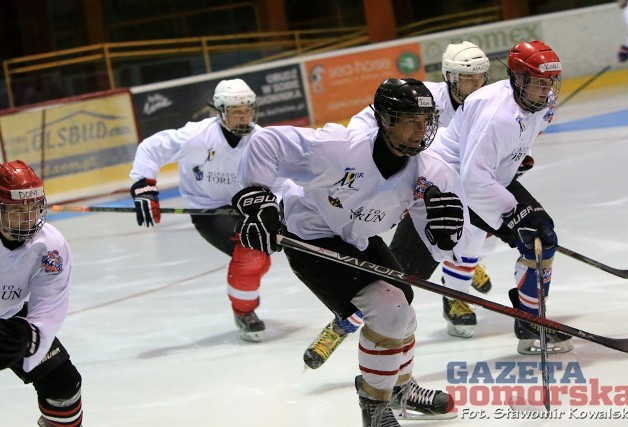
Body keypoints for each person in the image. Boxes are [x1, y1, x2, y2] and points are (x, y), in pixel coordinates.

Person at [232, 78, 467, 425]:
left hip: (359, 237)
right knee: (389, 308)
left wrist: (447, 236)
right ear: (385, 120)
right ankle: (375, 406)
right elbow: (267, 142)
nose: (421, 131)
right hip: (310, 234)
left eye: (426, 121)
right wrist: (258, 199)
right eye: (410, 121)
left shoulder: (432, 172)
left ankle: (400, 388)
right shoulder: (338, 148)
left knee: (404, 311)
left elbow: (443, 236)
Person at [302, 41, 493, 370]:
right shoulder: (417, 100)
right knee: (388, 284)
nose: (473, 87)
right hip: (401, 197)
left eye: (479, 79)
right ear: (449, 77)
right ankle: (342, 323)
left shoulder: (490, 106)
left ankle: (458, 278)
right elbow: (365, 136)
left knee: (472, 238)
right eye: (465, 79)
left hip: (443, 195)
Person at [429, 40, 573, 354]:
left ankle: (530, 319)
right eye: (539, 82)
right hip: (455, 181)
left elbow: (524, 137)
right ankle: (528, 320)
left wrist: (523, 156)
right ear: (518, 79)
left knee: (542, 236)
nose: (547, 89)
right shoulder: (496, 116)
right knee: (529, 235)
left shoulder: (541, 102)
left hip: (489, 176)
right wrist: (509, 213)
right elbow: (472, 179)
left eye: (551, 82)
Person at [129, 78, 272, 342]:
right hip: (209, 210)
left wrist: (279, 210)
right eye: (235, 111)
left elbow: (282, 179)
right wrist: (144, 185)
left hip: (247, 209)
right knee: (252, 257)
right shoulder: (196, 136)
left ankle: (244, 285)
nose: (244, 117)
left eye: (248, 109)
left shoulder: (261, 139)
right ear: (219, 111)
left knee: (261, 259)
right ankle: (244, 311)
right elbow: (152, 148)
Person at [0, 160, 83, 427]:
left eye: (34, 207)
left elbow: (50, 302)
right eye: (17, 210)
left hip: (10, 313)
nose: (28, 217)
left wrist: (32, 334)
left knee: (64, 387)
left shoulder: (51, 246)